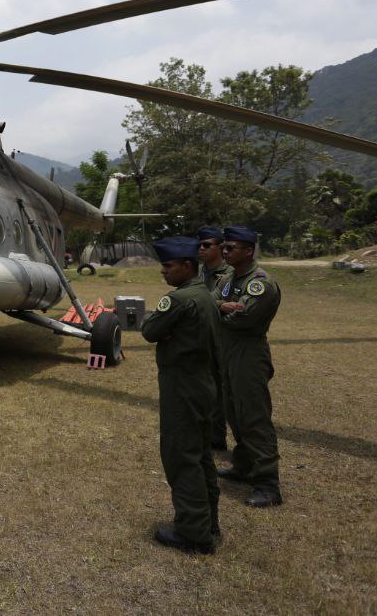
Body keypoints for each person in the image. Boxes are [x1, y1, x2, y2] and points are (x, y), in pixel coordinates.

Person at [141, 235, 221, 554]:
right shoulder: (206, 295)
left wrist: (165, 328)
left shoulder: (178, 300)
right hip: (203, 385)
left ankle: (193, 532)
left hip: (181, 388)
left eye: (168, 265)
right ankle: (208, 521)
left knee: (181, 457)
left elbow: (149, 331)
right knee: (201, 456)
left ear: (187, 266)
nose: (163, 271)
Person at [215, 225, 284, 508]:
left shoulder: (261, 283)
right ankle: (243, 465)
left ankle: (268, 483)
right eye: (224, 247)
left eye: (230, 248)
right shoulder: (229, 278)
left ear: (248, 250)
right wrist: (221, 306)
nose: (225, 251)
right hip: (227, 352)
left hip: (249, 354)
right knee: (233, 411)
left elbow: (241, 319)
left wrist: (219, 308)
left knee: (254, 417)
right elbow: (211, 302)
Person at [197, 225, 231, 452]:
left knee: (225, 391)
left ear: (220, 247)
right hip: (204, 337)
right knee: (207, 389)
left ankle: (220, 436)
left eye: (207, 245)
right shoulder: (201, 271)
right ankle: (213, 436)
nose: (201, 249)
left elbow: (232, 306)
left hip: (224, 340)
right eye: (199, 245)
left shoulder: (230, 274)